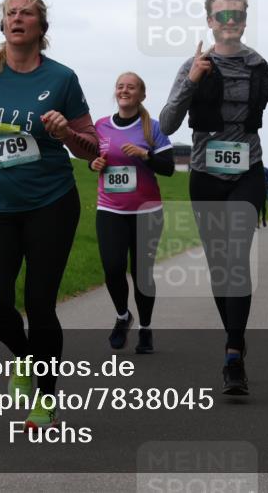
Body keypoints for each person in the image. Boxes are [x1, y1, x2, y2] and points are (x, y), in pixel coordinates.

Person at [0, 0, 98, 429]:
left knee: (39, 303)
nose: (17, 18)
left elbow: (91, 150)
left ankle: (45, 399)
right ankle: (31, 360)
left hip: (50, 203)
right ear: (3, 25)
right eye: (10, 13)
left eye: (27, 13)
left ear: (41, 27)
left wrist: (63, 133)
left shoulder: (62, 79)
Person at [160, 0, 268, 395]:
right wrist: (192, 81)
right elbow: (168, 123)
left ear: (244, 20)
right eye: (221, 16)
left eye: (237, 16)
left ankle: (231, 352)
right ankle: (236, 337)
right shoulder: (195, 64)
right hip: (206, 173)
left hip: (247, 172)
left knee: (237, 257)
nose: (230, 22)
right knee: (220, 263)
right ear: (210, 21)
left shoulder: (260, 67)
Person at [91, 72, 175, 354]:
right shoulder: (101, 126)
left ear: (142, 95)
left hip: (147, 211)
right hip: (110, 209)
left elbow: (169, 167)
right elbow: (92, 155)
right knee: (113, 268)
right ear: (115, 92)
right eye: (120, 86)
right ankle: (122, 316)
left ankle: (146, 329)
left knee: (142, 273)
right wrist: (95, 164)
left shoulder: (152, 127)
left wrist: (145, 156)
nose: (125, 90)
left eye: (131, 87)